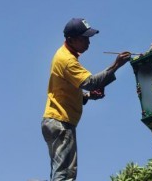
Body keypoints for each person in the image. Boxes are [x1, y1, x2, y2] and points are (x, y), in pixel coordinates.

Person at [41, 18, 131, 181]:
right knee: (65, 173)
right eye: (84, 38)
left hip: (55, 120)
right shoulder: (67, 60)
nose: (89, 41)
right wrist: (116, 65)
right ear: (71, 40)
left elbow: (66, 90)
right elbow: (90, 82)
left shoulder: (65, 55)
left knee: (61, 171)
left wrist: (88, 96)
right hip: (61, 122)